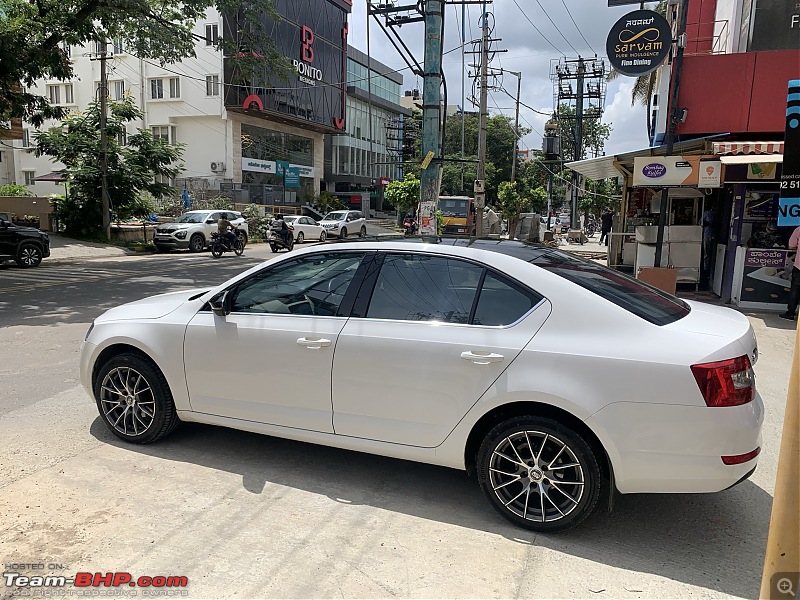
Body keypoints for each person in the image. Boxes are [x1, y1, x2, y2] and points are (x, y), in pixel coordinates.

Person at [780, 225, 800, 321]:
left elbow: (791, 245)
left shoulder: (799, 229)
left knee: (795, 290)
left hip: (799, 266)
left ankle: (791, 313)